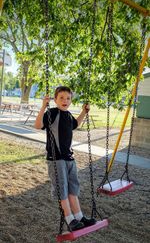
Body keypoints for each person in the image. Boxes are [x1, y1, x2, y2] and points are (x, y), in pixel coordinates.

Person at [35, 86, 96, 231]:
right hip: (56, 159)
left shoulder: (68, 115)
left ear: (71, 101)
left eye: (68, 98)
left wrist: (84, 112)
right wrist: (44, 106)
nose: (65, 101)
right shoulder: (52, 113)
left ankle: (79, 217)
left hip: (69, 158)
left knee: (73, 188)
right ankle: (70, 219)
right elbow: (38, 125)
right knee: (62, 188)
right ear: (55, 100)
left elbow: (76, 124)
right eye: (61, 98)